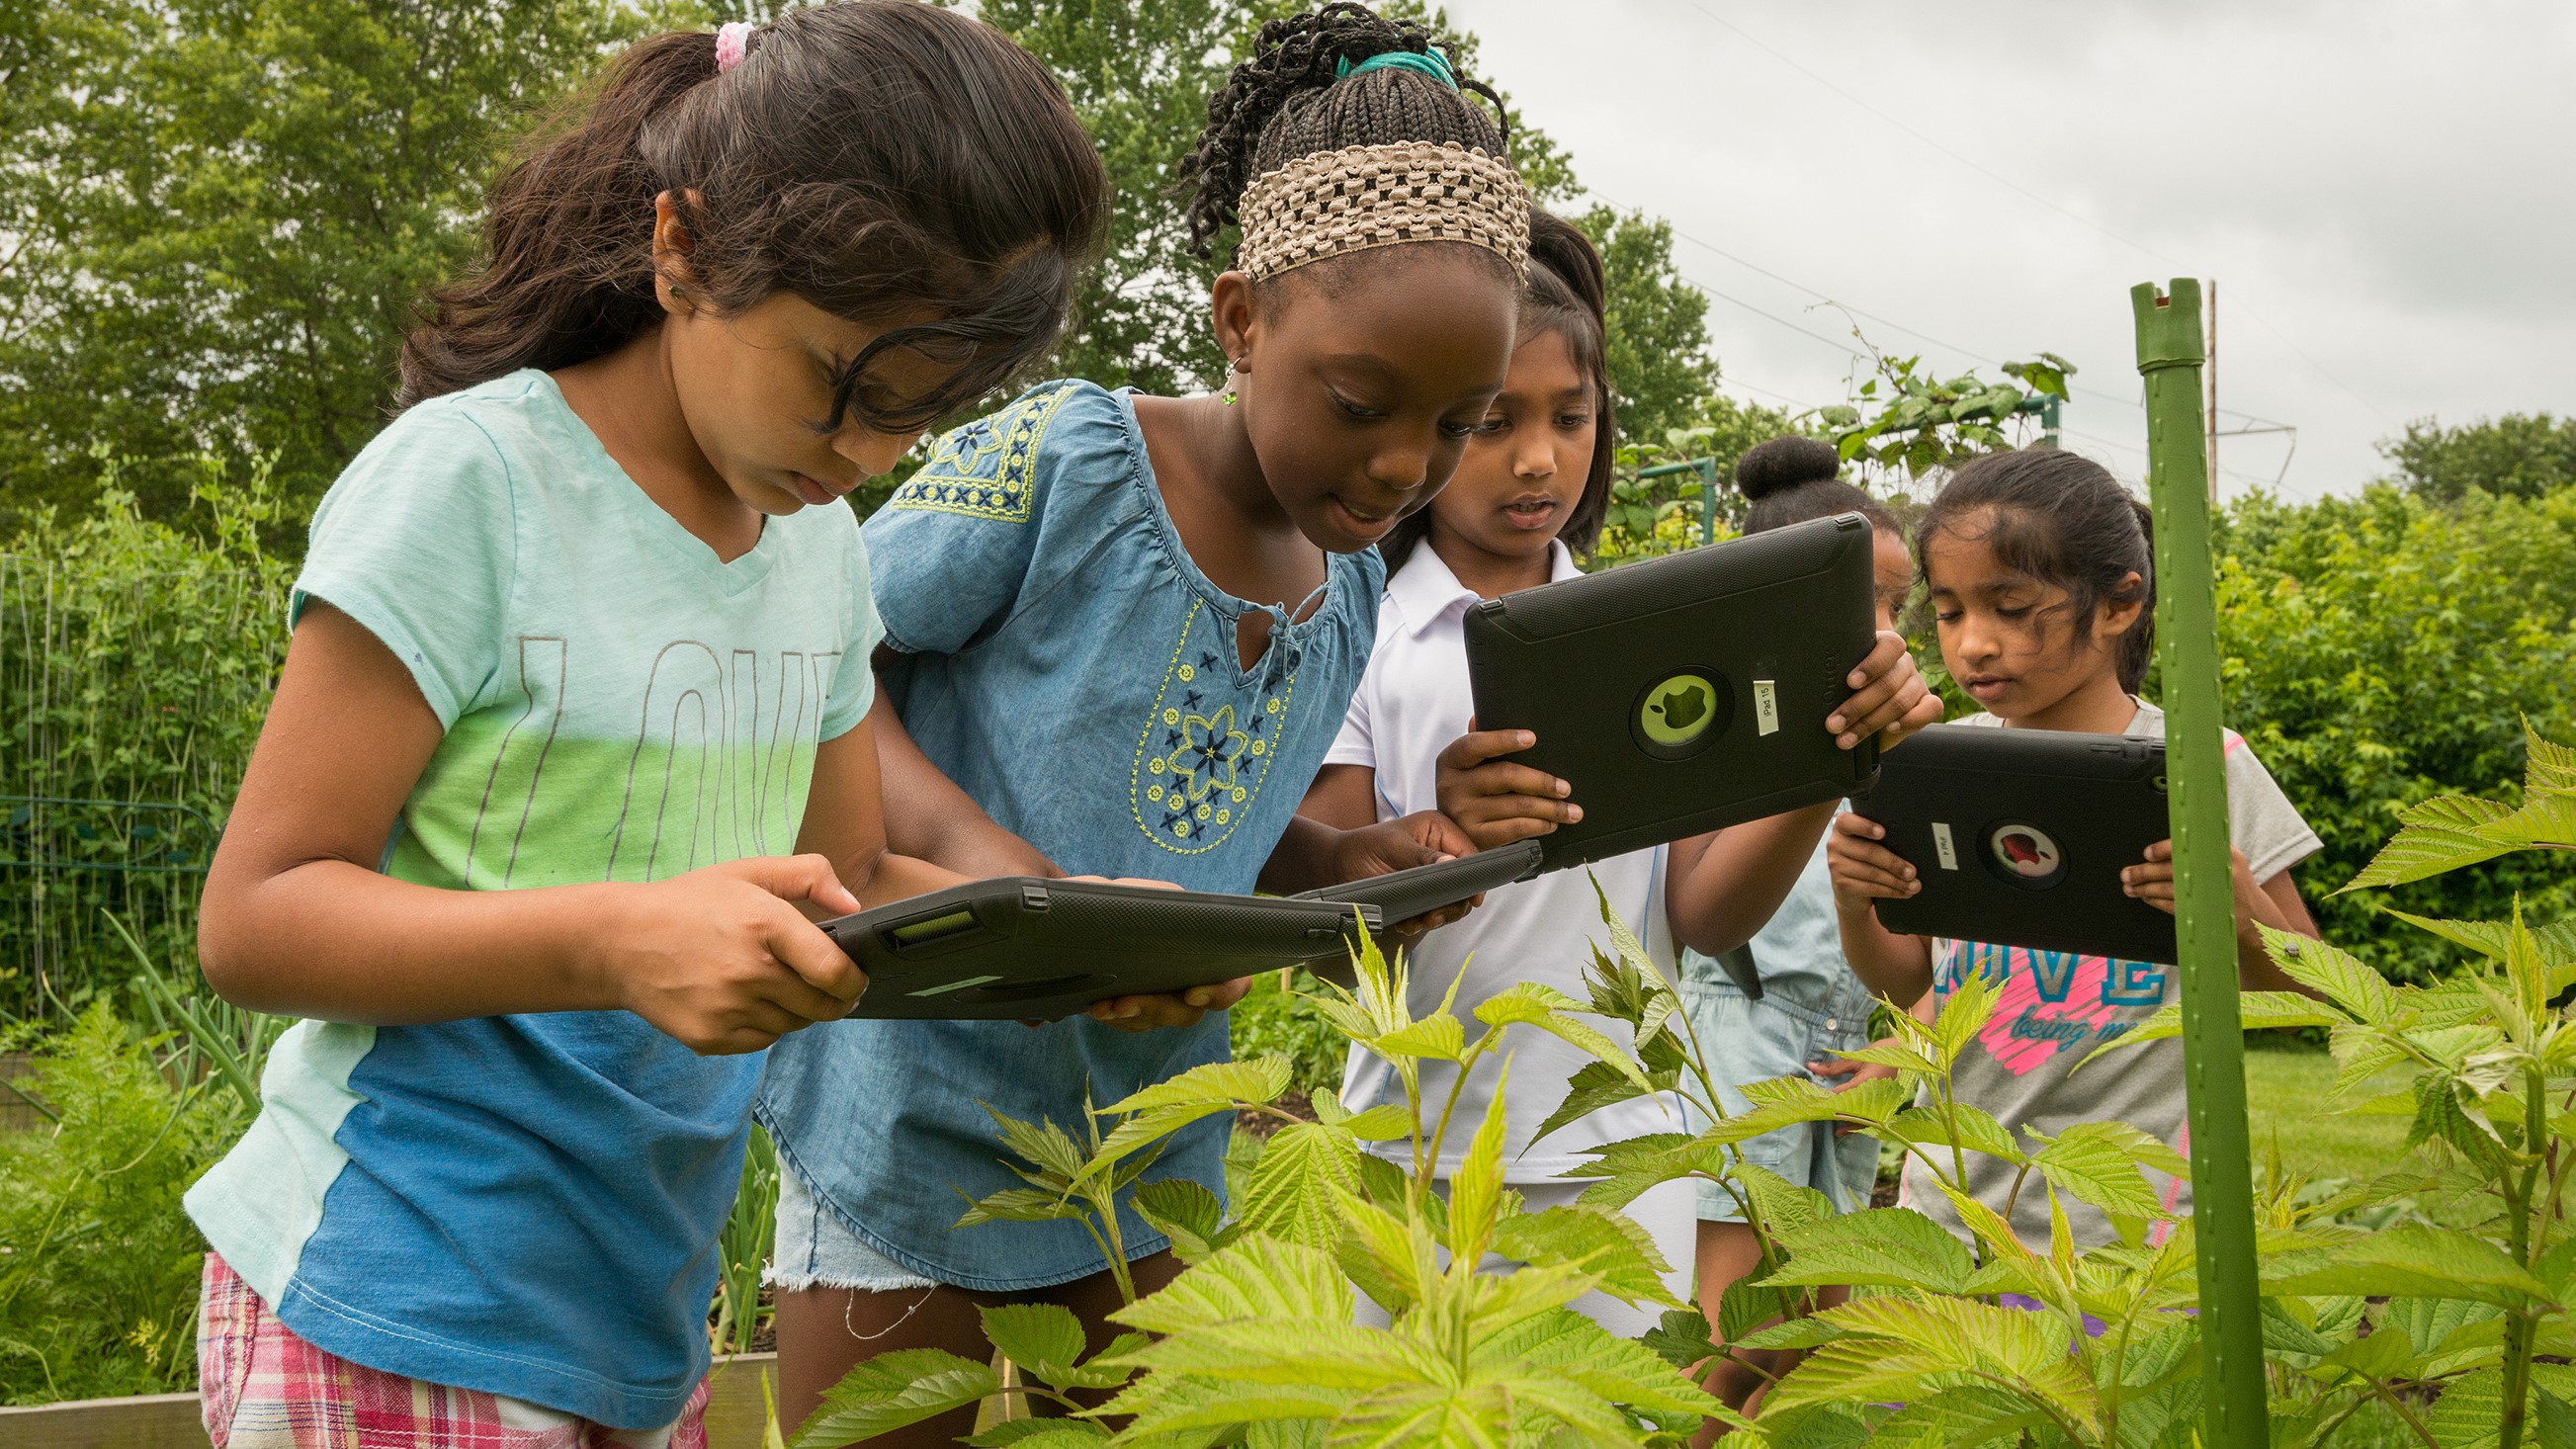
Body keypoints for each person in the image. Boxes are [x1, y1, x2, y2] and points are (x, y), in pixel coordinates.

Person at [182, 6, 1108, 1445]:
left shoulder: (814, 548)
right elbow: (256, 916)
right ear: (682, 248)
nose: (864, 455)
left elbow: (849, 887)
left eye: (917, 420)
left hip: (637, 1317)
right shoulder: (473, 486)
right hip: (399, 1291)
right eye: (833, 383)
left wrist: (1077, 937)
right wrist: (616, 938)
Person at [754, 8, 1538, 1440]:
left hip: (1147, 1150)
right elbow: (809, 659)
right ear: (1242, 319)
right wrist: (1001, 876)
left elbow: (1219, 825)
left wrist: (1337, 866)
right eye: (1362, 403)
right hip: (910, 1118)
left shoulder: (1351, 583)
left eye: (1452, 426)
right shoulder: (1063, 461)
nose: (1397, 466)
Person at [1301, 234, 1939, 1336]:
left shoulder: (1649, 639)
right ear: (1431, 421)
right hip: (1411, 1142)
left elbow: (1697, 912)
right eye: (1494, 420)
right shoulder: (1354, 633)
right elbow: (1327, 927)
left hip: (1622, 1149)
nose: (1538, 458)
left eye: (1570, 415)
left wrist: (1828, 758)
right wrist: (1445, 831)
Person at [1827, 448, 2324, 1253]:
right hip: (1951, 1219)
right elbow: (1911, 976)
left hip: (2133, 1233)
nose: (1974, 645)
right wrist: (1858, 900)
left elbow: (2307, 996)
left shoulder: (2203, 766)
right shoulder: (1937, 765)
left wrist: (2241, 916)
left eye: (2012, 607)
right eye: (1950, 613)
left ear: (2120, 604)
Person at [1671, 438, 1913, 1416]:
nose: (1888, 629)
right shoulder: (1726, 725)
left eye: (1901, 604)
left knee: (1815, 1324)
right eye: (1864, 600)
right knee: (1729, 1334)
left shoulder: (1894, 739)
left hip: (1838, 1053)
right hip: (1741, 1041)